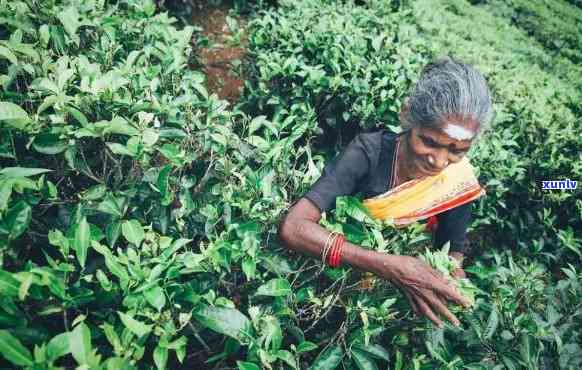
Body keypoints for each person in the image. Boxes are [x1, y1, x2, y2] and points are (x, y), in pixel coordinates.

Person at [278, 57, 493, 328]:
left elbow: (453, 249)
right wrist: (389, 266)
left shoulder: (457, 181)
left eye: (457, 150)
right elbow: (294, 227)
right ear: (407, 117)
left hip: (389, 306)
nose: (439, 162)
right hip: (329, 285)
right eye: (429, 142)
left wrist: (450, 277)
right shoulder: (368, 153)